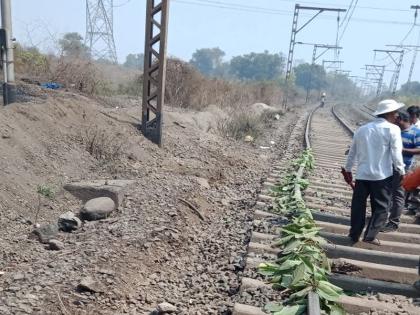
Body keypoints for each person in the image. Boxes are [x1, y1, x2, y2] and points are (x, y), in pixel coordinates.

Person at [343, 99, 405, 245]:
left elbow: (352, 152)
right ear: (389, 113)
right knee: (382, 208)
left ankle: (354, 235)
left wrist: (348, 169)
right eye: (395, 112)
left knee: (358, 206)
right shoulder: (393, 129)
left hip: (362, 175)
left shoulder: (362, 129)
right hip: (381, 176)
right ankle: (369, 236)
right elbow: (396, 153)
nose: (397, 115)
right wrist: (401, 171)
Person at [381, 111, 420, 232]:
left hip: (404, 167)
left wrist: (401, 150)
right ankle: (381, 219)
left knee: (398, 195)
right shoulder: (394, 130)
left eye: (395, 119)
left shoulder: (416, 132)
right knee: (385, 193)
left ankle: (393, 223)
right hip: (388, 166)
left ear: (400, 120)